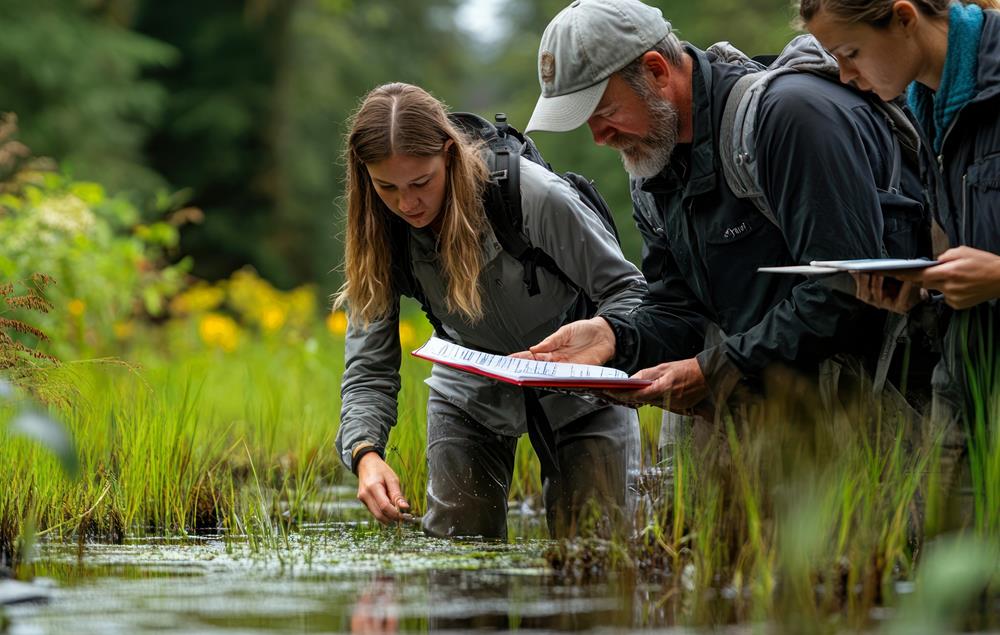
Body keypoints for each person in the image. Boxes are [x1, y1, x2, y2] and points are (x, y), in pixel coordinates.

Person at [516, 0, 928, 417]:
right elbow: (678, 309)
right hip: (788, 424)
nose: (600, 137)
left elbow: (849, 290)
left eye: (604, 113)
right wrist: (614, 338)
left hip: (888, 407)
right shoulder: (652, 164)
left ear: (656, 71)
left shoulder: (789, 118)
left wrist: (717, 369)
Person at [333, 82, 646, 540]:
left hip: (581, 382)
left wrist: (601, 343)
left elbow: (629, 292)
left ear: (449, 154)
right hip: (469, 388)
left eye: (421, 182)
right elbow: (369, 369)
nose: (407, 204)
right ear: (366, 178)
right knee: (460, 568)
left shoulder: (531, 195)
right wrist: (365, 453)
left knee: (597, 558)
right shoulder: (377, 232)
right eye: (387, 187)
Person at [800, 0, 1000, 523]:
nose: (845, 75)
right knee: (946, 580)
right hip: (965, 385)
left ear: (905, 19)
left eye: (850, 53)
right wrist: (925, 286)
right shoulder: (928, 107)